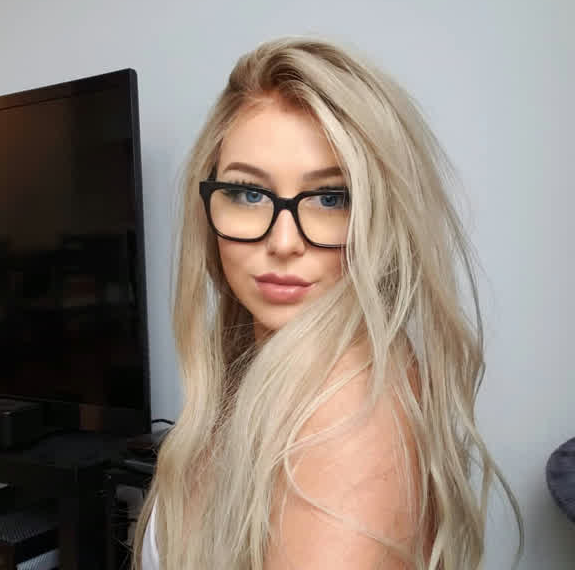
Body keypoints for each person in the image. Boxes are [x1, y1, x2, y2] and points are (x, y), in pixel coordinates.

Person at [131, 34, 524, 570]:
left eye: (330, 198)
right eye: (248, 193)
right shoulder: (263, 365)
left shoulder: (346, 415)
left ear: (383, 214)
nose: (283, 242)